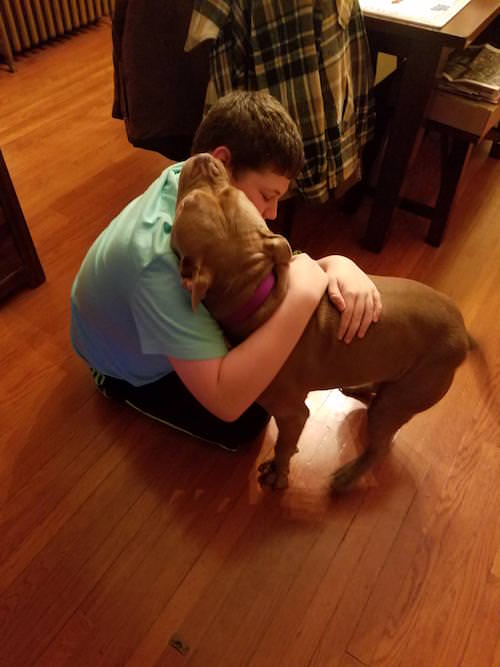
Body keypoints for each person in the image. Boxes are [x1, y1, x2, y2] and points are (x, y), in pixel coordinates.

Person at [70, 91, 382, 451]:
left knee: (264, 334)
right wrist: (308, 286)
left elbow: (254, 258)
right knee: (249, 416)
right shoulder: (162, 265)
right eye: (267, 195)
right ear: (222, 162)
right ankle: (118, 386)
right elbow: (226, 402)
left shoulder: (195, 177)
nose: (272, 214)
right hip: (120, 364)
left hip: (142, 308)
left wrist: (335, 263)